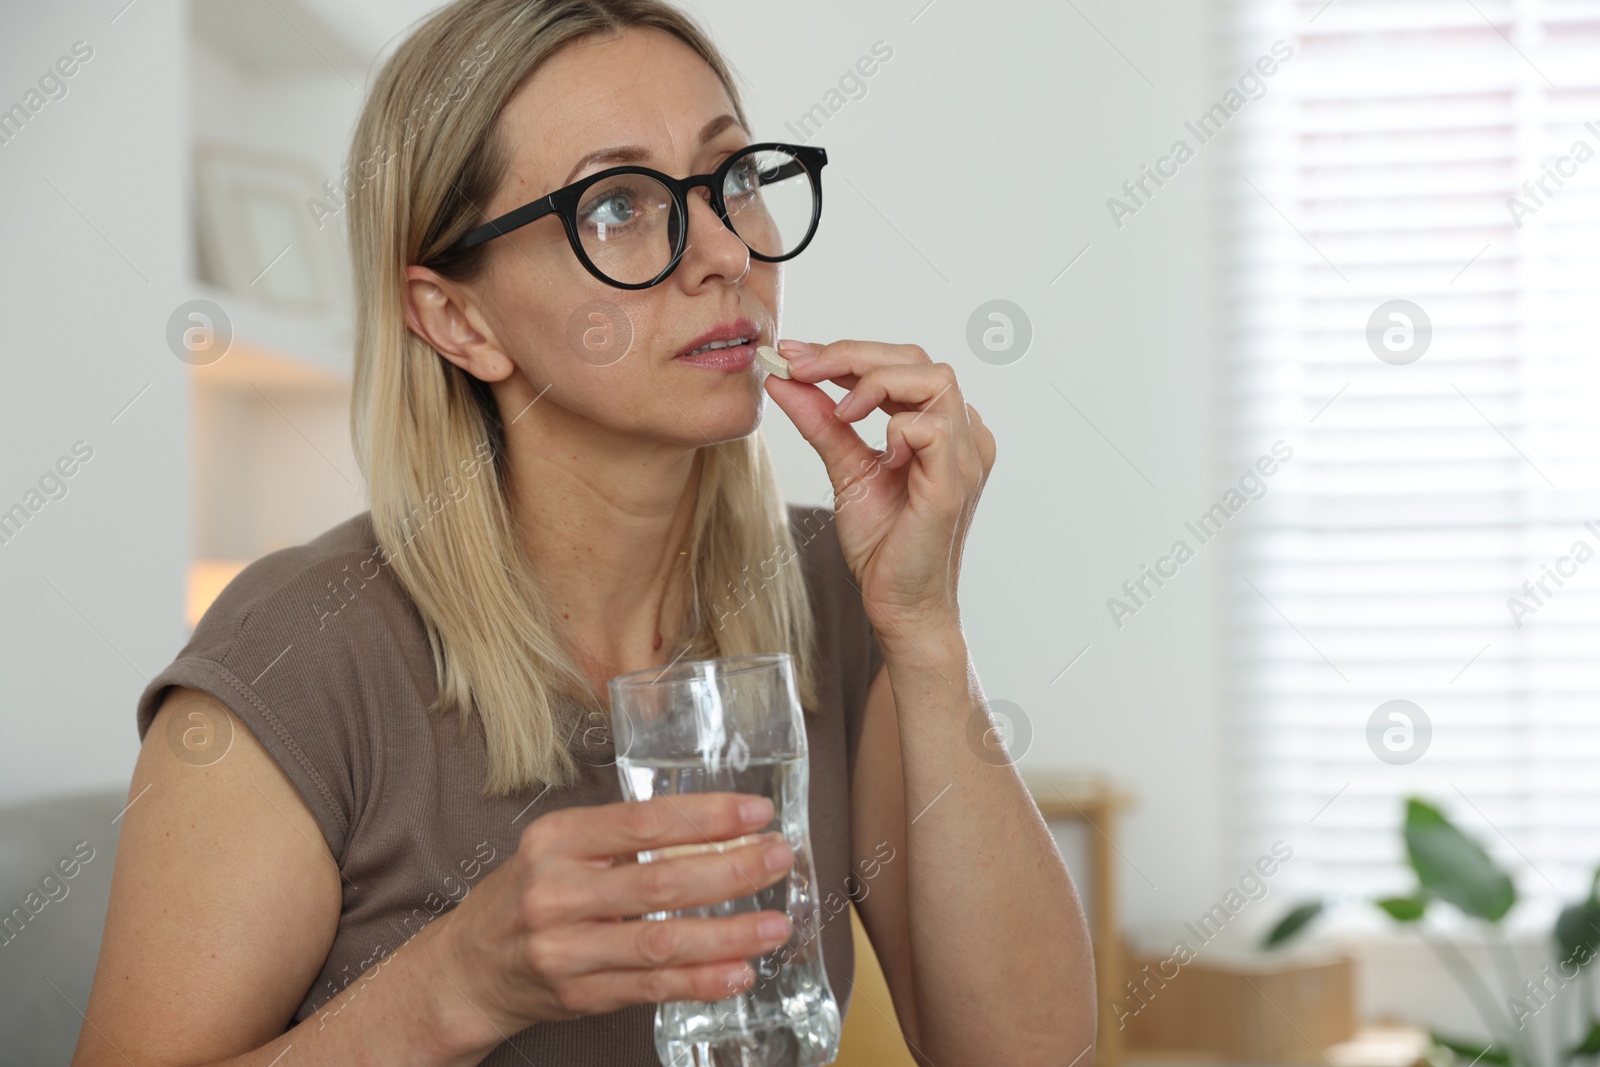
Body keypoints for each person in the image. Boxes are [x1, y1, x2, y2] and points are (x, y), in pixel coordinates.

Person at [72, 1, 1094, 1063]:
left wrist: (925, 626)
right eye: (615, 206)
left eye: (733, 178)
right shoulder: (299, 648)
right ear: (457, 319)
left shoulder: (838, 585)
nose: (721, 252)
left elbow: (1028, 1054)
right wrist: (449, 986)